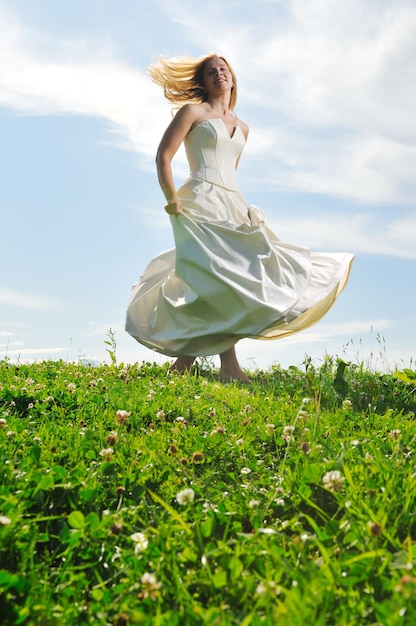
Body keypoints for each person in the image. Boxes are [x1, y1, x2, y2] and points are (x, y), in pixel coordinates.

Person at [125, 53, 354, 382]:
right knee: (213, 279)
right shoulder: (193, 112)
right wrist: (171, 197)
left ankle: (187, 365)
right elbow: (163, 155)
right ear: (203, 81)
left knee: (237, 280)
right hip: (197, 202)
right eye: (210, 72)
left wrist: (243, 208)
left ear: (232, 79)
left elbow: (230, 173)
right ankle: (225, 368)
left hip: (232, 204)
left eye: (223, 70)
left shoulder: (243, 128)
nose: (218, 74)